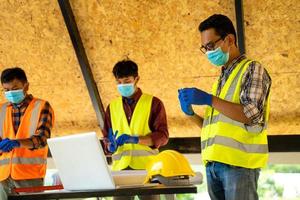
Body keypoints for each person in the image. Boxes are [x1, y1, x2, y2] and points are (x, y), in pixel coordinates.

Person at [178, 14, 271, 200]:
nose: (208, 52)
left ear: (229, 39)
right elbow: (216, 128)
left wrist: (208, 99)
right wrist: (190, 114)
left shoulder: (252, 69)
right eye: (205, 48)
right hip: (214, 165)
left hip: (239, 165)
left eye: (211, 45)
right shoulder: (221, 80)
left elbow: (251, 114)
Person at [103, 59, 169, 200]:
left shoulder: (154, 103)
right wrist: (109, 146)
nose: (122, 85)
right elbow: (106, 140)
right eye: (119, 82)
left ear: (137, 79)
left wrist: (136, 139)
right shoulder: (111, 107)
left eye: (126, 81)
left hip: (147, 169)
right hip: (120, 171)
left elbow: (163, 136)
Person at [0, 67, 54, 199]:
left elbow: (42, 139)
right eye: (6, 90)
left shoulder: (42, 106)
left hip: (30, 177)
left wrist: (17, 143)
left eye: (14, 88)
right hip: (2, 178)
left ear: (26, 86)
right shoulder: (1, 110)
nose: (10, 93)